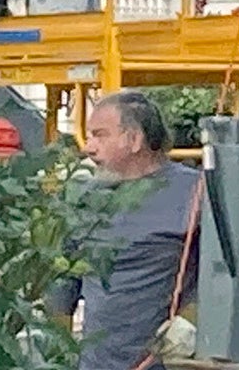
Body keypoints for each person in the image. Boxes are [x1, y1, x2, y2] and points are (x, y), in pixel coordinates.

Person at [47, 92, 205, 369]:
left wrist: (191, 320)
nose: (88, 148)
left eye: (99, 135)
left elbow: (230, 275)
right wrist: (57, 356)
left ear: (134, 140)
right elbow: (61, 288)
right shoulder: (81, 199)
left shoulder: (197, 193)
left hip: (165, 363)